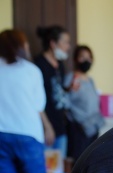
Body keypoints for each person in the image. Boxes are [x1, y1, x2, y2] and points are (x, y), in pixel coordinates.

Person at [0, 29, 55, 173]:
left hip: (1, 136)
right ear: (21, 46)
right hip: (28, 135)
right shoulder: (32, 70)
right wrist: (48, 127)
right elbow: (38, 105)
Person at [34, 25, 71, 159]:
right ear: (53, 43)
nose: (68, 46)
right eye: (65, 42)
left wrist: (69, 88)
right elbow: (35, 99)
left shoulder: (60, 65)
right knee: (48, 169)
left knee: (59, 167)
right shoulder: (38, 65)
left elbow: (56, 91)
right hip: (45, 128)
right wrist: (47, 127)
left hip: (61, 126)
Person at [64, 45, 104, 162]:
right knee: (79, 162)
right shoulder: (71, 78)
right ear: (76, 59)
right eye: (82, 57)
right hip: (79, 129)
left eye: (89, 57)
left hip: (93, 127)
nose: (86, 60)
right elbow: (65, 102)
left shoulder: (90, 80)